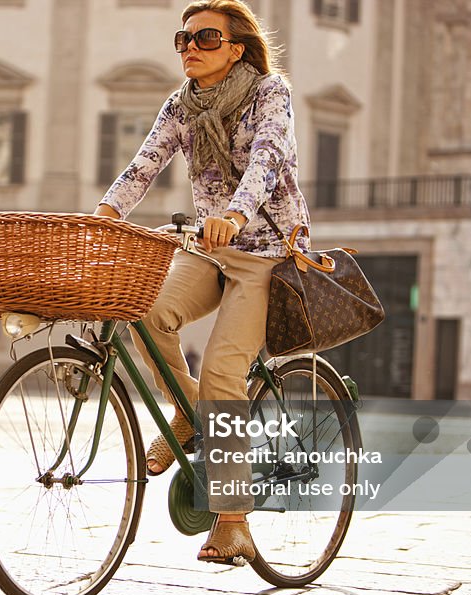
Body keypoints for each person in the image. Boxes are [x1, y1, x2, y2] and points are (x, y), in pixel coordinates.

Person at [94, 0, 310, 564]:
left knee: (221, 371)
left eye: (205, 38)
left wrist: (235, 215)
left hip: (264, 252)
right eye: (183, 39)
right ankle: (188, 415)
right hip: (209, 249)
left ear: (236, 48)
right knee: (143, 310)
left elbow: (267, 157)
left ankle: (234, 522)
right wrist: (105, 213)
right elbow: (146, 162)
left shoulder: (270, 93)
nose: (190, 47)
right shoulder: (183, 104)